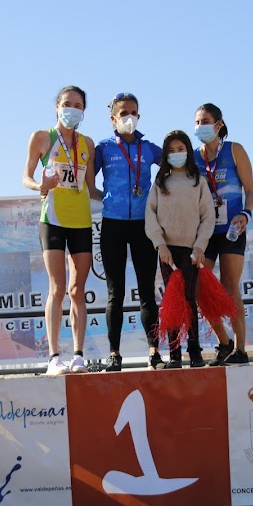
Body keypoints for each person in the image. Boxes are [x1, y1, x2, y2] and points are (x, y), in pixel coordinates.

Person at [23, 85, 98, 375]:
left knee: (77, 289)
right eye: (67, 103)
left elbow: (91, 188)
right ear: (57, 106)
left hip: (80, 220)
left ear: (84, 111)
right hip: (52, 218)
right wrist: (40, 186)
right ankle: (54, 357)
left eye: (78, 105)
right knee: (56, 287)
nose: (72, 109)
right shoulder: (42, 138)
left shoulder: (88, 144)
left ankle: (78, 355)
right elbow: (25, 176)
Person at [94, 93, 165, 371]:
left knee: (147, 291)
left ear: (139, 115)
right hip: (113, 223)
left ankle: (154, 352)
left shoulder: (148, 148)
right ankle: (114, 354)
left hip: (143, 225)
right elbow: (86, 182)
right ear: (113, 118)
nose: (128, 117)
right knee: (116, 293)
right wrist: (108, 199)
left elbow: (175, 165)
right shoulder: (103, 148)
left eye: (133, 112)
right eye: (123, 113)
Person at [145, 130, 215, 369]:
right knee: (172, 301)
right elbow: (150, 216)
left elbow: (208, 217)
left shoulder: (198, 181)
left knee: (189, 298)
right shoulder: (160, 181)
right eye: (172, 151)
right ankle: (174, 354)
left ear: (188, 150)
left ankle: (194, 350)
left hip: (191, 250)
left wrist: (199, 246)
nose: (177, 154)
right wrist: (160, 244)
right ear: (166, 155)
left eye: (181, 149)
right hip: (167, 251)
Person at [193, 103, 253, 366]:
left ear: (218, 125)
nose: (200, 127)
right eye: (196, 122)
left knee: (230, 287)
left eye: (205, 121)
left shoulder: (234, 150)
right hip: (205, 231)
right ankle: (224, 343)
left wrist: (246, 214)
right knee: (200, 288)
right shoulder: (193, 157)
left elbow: (251, 190)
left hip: (232, 228)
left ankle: (240, 350)